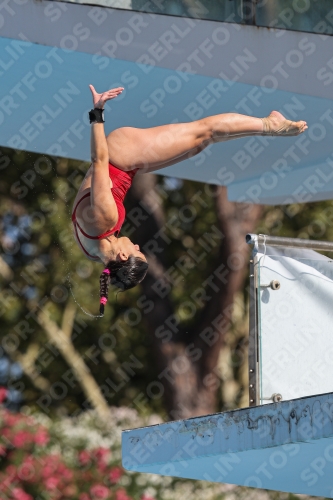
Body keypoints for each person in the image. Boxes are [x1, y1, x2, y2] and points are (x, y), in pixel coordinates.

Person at [72, 85, 308, 315]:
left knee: (205, 131)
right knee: (200, 143)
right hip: (127, 166)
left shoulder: (104, 220)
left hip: (121, 153)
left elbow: (99, 160)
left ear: (123, 257)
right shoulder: (92, 252)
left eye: (136, 251)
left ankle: (269, 124)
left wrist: (97, 113)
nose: (136, 245)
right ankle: (267, 125)